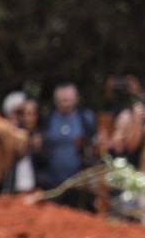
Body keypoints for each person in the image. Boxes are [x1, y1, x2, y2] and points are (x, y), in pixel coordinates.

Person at [36, 82, 99, 211]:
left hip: (78, 184)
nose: (65, 102)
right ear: (55, 100)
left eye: (68, 98)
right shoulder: (46, 119)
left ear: (76, 98)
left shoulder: (86, 118)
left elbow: (94, 145)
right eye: (61, 99)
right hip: (51, 182)